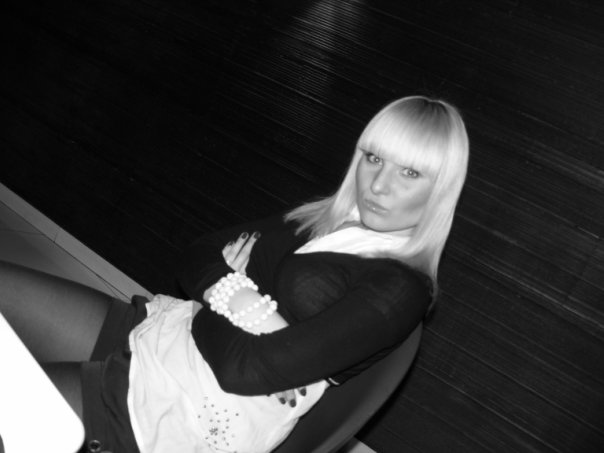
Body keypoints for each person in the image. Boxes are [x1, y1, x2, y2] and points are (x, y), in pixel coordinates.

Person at [0, 95, 469, 453]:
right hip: (162, 333)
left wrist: (219, 293)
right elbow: (197, 254)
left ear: (440, 188)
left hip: (185, 405)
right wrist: (245, 303)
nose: (379, 185)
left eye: (410, 173)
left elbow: (242, 370)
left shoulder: (400, 288)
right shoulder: (327, 219)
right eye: (374, 159)